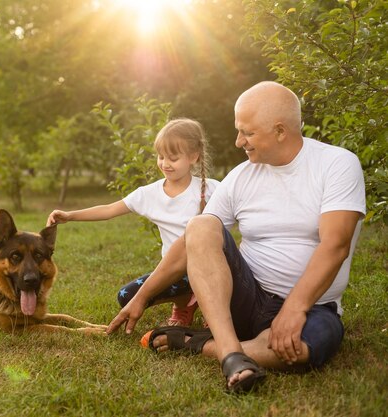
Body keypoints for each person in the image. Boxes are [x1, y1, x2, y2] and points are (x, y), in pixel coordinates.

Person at [106, 81, 366, 394]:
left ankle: (197, 343)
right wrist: (142, 297)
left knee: (301, 352)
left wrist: (294, 309)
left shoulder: (337, 164)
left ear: (280, 131)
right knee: (201, 225)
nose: (238, 141)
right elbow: (195, 239)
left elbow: (335, 246)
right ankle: (232, 354)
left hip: (313, 306)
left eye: (248, 132)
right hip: (246, 296)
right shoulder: (242, 176)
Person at [46, 118, 219, 327]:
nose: (165, 164)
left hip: (211, 269)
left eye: (173, 158)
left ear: (193, 156)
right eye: (161, 156)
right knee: (126, 297)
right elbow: (109, 210)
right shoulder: (149, 194)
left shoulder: (212, 190)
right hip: (173, 272)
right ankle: (185, 302)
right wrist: (70, 215)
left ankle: (214, 303)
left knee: (219, 314)